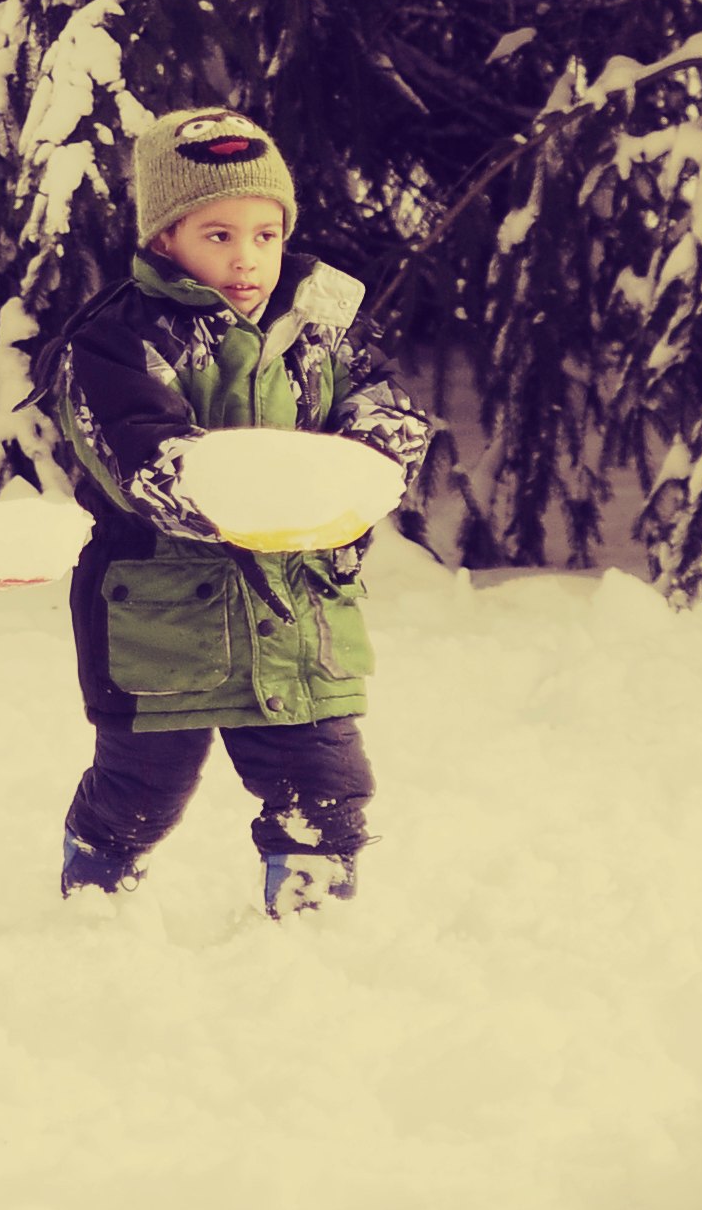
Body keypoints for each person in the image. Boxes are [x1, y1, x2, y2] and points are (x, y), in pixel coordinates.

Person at [47, 103, 434, 918]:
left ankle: (312, 926)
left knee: (326, 788)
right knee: (142, 792)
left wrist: (364, 466)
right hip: (163, 626)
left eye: (265, 234)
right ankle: (95, 895)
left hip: (298, 615)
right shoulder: (118, 339)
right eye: (217, 234)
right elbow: (144, 457)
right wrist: (269, 491)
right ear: (166, 239)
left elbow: (387, 408)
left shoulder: (322, 327)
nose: (246, 257)